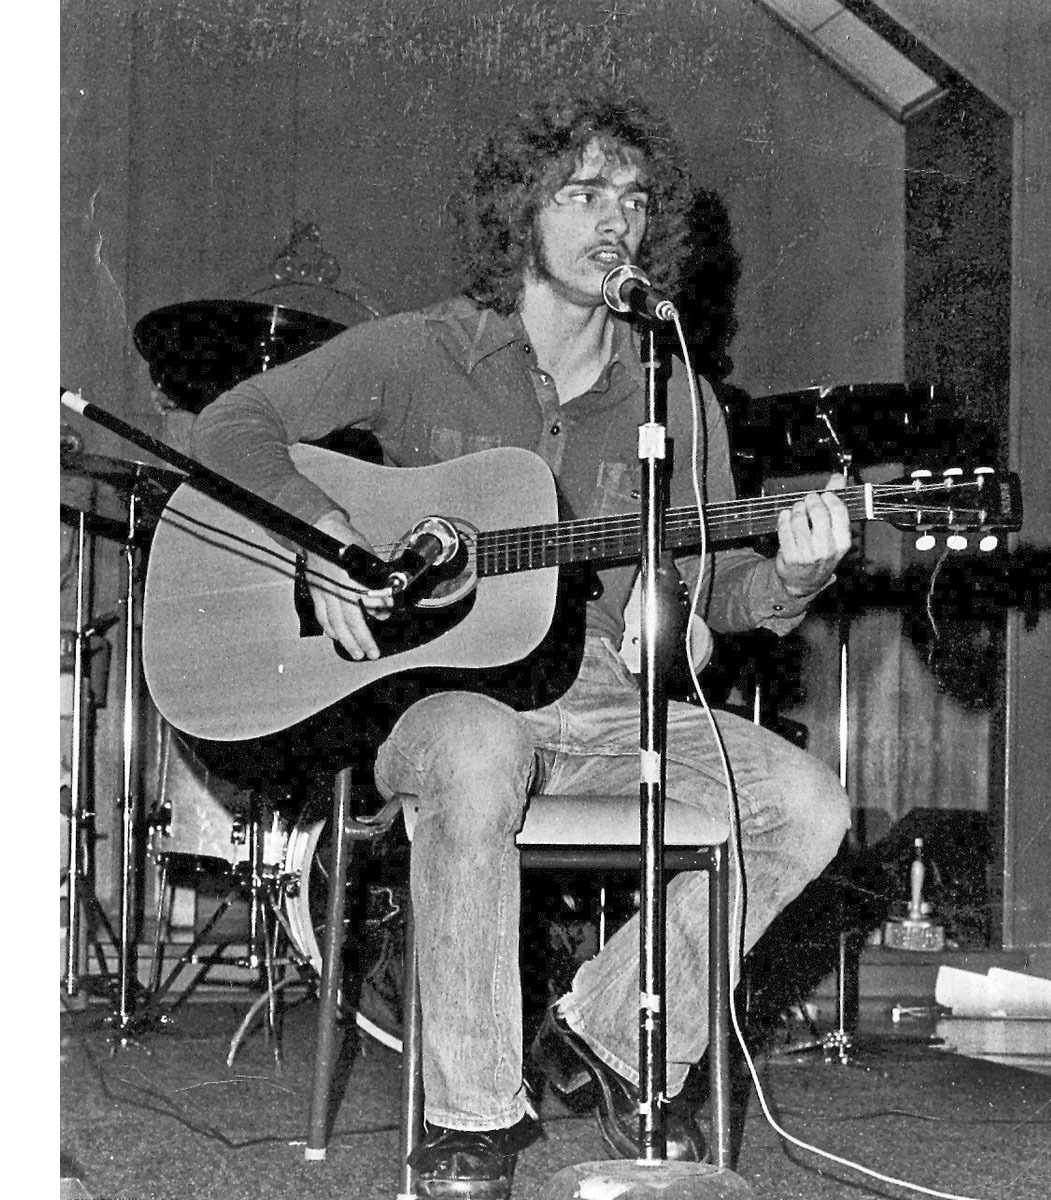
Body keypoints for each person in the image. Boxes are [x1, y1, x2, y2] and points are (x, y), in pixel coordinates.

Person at [193, 85, 852, 1200]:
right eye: (583, 193)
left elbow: (713, 584)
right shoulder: (421, 351)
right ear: (521, 213)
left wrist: (789, 577)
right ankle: (471, 1120)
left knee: (808, 804)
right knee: (475, 746)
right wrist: (326, 538)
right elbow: (230, 424)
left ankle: (604, 1037)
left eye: (634, 200)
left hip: (603, 696)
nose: (615, 221)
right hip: (434, 700)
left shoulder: (675, 394)